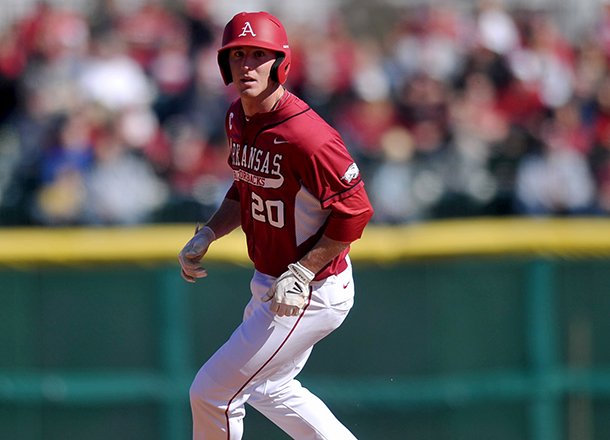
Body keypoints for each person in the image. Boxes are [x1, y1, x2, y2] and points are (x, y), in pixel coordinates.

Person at [178, 11, 373, 440]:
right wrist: (209, 231)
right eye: (238, 55)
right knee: (269, 388)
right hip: (273, 282)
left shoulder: (308, 135)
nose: (247, 66)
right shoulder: (238, 117)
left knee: (212, 392)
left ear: (280, 62)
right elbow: (245, 184)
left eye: (259, 56)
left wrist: (304, 272)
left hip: (311, 288)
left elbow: (355, 211)